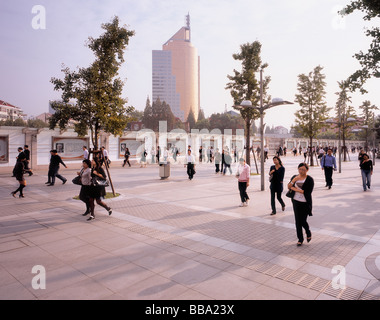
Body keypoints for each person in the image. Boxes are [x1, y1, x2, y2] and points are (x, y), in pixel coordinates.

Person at [287, 163, 314, 246]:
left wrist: (294, 188)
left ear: (307, 170)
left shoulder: (309, 179)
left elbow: (306, 192)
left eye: (303, 169)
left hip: (305, 202)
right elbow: (288, 186)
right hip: (296, 201)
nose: (301, 171)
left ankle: (308, 232)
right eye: (300, 169)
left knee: (303, 220)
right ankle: (300, 239)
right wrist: (294, 180)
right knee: (297, 221)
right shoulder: (295, 177)